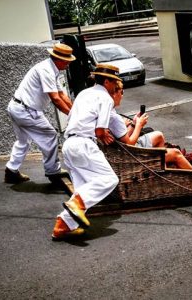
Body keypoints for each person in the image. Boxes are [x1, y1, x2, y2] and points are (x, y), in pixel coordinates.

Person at [52, 64, 121, 240]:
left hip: (69, 144)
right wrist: (105, 136)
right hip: (84, 143)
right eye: (115, 83)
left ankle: (62, 226)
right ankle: (76, 204)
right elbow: (100, 131)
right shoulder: (105, 98)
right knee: (109, 179)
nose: (115, 87)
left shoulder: (84, 93)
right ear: (107, 81)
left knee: (82, 188)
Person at [4, 43, 76, 184]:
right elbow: (55, 99)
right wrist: (73, 116)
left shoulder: (51, 69)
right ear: (60, 60)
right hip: (25, 110)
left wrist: (75, 111)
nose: (68, 64)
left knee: (23, 141)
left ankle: (11, 171)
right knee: (50, 135)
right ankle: (53, 171)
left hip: (18, 107)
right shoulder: (47, 70)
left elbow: (62, 95)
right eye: (67, 61)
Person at [109, 81, 192, 170]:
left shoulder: (110, 113)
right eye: (121, 92)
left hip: (122, 149)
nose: (122, 96)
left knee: (158, 135)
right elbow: (129, 143)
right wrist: (139, 125)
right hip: (130, 153)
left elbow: (121, 138)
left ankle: (163, 166)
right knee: (176, 153)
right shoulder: (114, 117)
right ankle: (169, 165)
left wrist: (133, 124)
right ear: (114, 94)